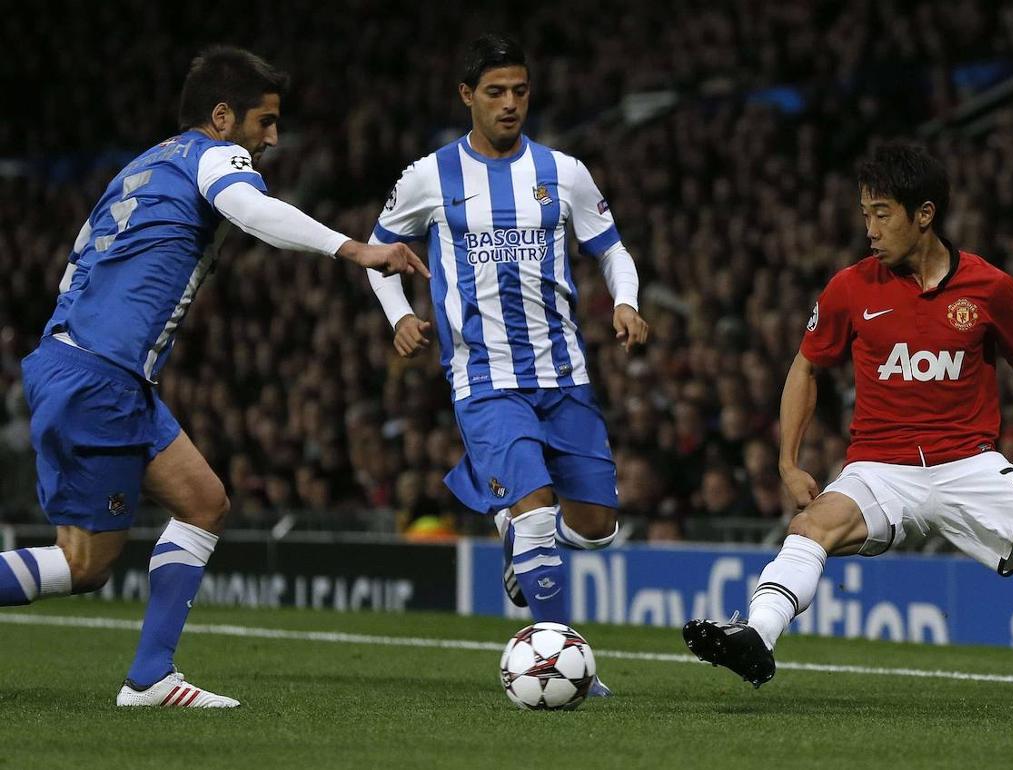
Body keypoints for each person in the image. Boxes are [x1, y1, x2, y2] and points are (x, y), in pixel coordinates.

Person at [682, 143, 1013, 718]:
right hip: (880, 467)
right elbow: (806, 366)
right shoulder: (849, 288)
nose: (869, 228)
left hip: (971, 465)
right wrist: (787, 461)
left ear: (923, 214)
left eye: (882, 213)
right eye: (864, 213)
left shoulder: (993, 289)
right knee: (811, 525)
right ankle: (757, 638)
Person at [0, 46, 427, 708]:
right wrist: (356, 249)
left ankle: (150, 676)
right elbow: (254, 213)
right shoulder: (215, 156)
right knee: (84, 566)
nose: (273, 138)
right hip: (101, 376)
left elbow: (73, 268)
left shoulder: (146, 164)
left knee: (204, 502)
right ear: (223, 116)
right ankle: (147, 677)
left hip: (91, 367)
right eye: (266, 122)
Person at [366, 34, 648, 696]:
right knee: (536, 509)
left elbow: (613, 250)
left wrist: (628, 302)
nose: (510, 103)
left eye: (520, 90)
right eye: (495, 92)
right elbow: (379, 253)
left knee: (597, 527)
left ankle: (502, 519)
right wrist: (400, 316)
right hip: (484, 377)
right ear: (467, 96)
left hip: (563, 372)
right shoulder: (429, 176)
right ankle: (563, 660)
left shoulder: (564, 172)